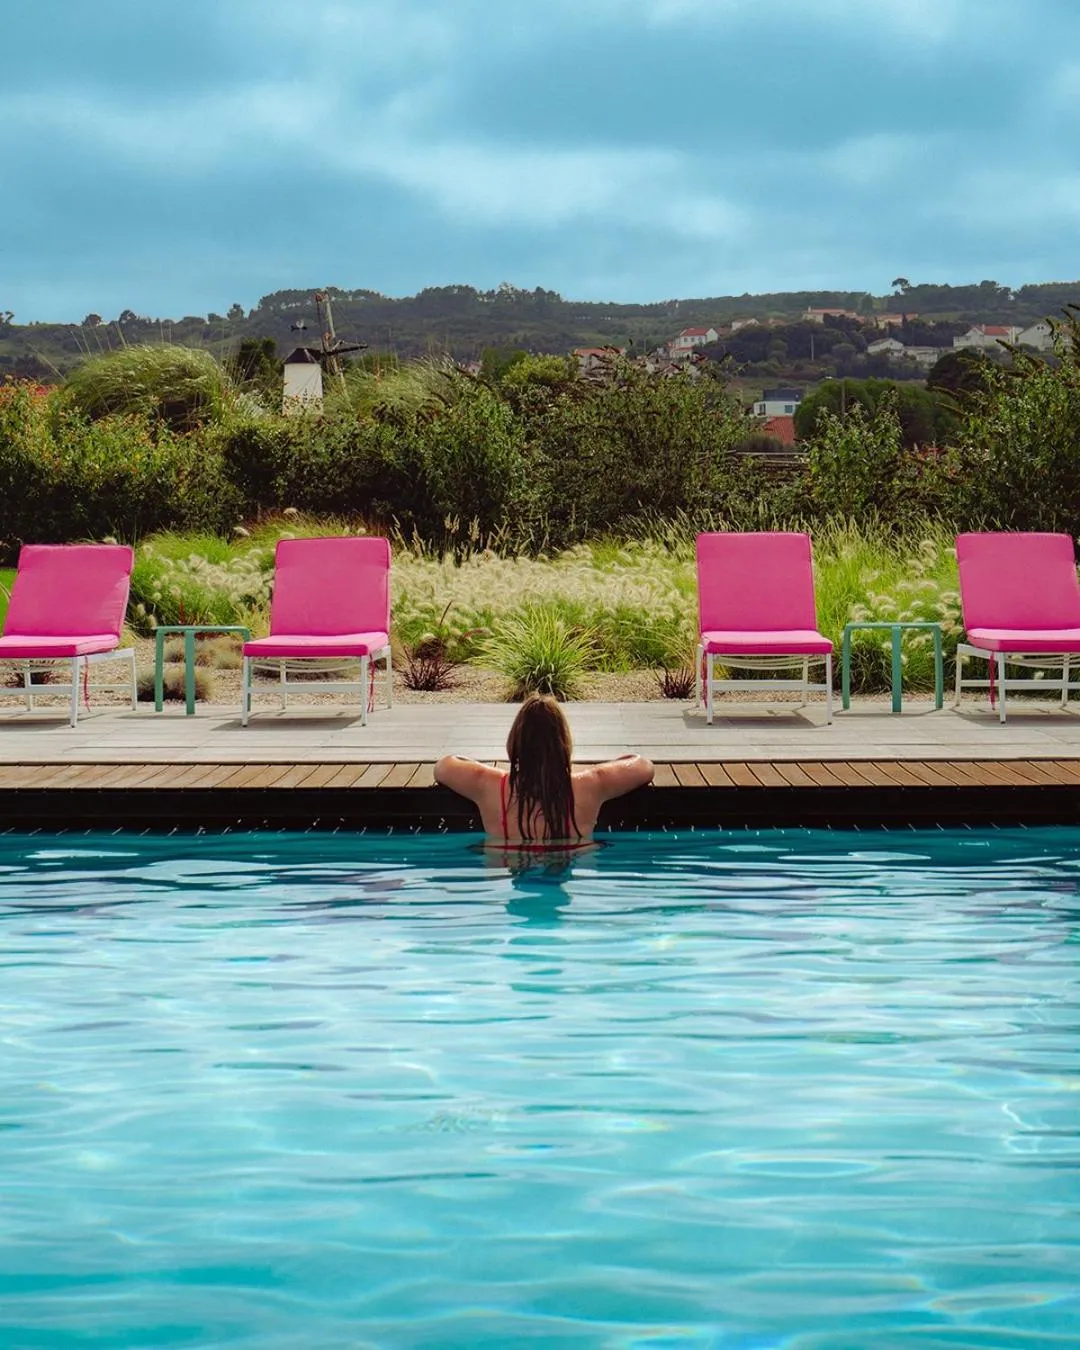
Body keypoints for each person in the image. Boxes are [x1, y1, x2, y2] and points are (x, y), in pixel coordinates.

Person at [434, 693, 654, 848]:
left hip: (507, 874)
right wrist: (600, 769)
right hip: (570, 871)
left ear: (515, 742)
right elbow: (643, 765)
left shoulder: (487, 785)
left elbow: (445, 765)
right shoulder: (591, 785)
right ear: (563, 744)